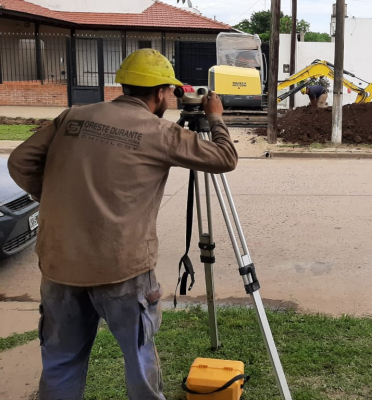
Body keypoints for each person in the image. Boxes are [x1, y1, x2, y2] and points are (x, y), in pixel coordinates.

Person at [7, 49, 238, 400]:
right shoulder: (160, 132)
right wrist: (215, 118)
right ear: (162, 92)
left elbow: (21, 162)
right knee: (139, 359)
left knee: (61, 360)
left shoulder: (73, 116)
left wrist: (61, 201)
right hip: (123, 269)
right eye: (171, 93)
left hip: (59, 263)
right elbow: (225, 158)